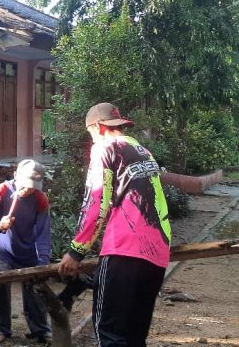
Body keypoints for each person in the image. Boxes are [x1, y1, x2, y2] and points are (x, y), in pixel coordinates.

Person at [58, 102, 171, 347]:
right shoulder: (142, 150)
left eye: (90, 133)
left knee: (109, 334)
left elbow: (96, 202)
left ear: (98, 127)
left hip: (124, 249)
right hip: (158, 253)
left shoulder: (104, 148)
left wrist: (76, 251)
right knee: (134, 336)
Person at [0, 159, 51, 343]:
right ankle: (1, 328)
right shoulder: (1, 192)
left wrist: (43, 261)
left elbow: (43, 233)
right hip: (2, 248)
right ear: (16, 176)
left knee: (33, 287)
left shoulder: (40, 199)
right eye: (26, 185)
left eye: (33, 187)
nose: (29, 190)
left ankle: (40, 330)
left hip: (28, 250)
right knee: (3, 283)